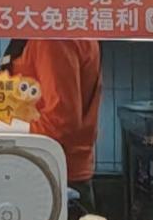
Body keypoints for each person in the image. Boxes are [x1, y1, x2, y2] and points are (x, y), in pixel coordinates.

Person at [9, 35, 103, 188]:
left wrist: (4, 128)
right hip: (54, 170)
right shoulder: (59, 34)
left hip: (52, 175)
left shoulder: (51, 39)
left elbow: (60, 123)